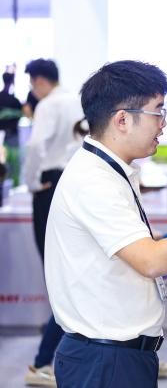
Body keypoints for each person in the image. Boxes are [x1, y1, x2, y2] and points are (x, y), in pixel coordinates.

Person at [42, 60, 167, 387]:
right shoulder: (94, 180)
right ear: (123, 119)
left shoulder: (107, 170)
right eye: (158, 111)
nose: (163, 124)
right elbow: (150, 260)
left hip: (113, 357)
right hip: (105, 362)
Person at [21, 59, 83, 387]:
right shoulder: (77, 100)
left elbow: (35, 146)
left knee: (59, 275)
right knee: (74, 273)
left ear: (39, 81)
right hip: (74, 182)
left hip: (48, 185)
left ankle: (42, 362)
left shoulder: (48, 105)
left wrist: (30, 182)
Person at [0, 69, 23, 186]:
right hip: (10, 136)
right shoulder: (15, 101)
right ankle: (13, 186)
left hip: (8, 135)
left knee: (9, 163)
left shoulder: (12, 100)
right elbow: (22, 113)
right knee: (13, 164)